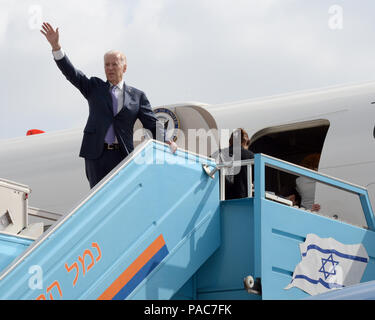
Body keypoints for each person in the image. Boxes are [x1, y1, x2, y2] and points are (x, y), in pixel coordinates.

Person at [40, 22, 177, 188]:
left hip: (122, 154)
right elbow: (72, 73)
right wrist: (56, 46)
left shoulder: (138, 96)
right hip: (96, 154)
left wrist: (168, 141)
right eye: (107, 65)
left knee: (121, 195)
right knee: (97, 196)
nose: (110, 68)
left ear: (124, 67)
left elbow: (152, 123)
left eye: (114, 64)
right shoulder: (94, 87)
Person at [222, 128, 254, 200]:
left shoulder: (219, 153)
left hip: (221, 197)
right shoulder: (251, 156)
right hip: (242, 198)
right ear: (245, 142)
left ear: (230, 141)